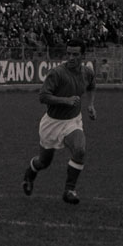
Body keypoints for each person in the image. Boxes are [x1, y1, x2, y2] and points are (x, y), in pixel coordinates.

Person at [22, 39, 96, 205]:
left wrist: (91, 105)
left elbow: (92, 86)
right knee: (44, 162)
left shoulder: (87, 72)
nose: (71, 58)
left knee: (80, 150)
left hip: (73, 121)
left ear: (83, 56)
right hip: (52, 124)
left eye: (75, 54)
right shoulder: (57, 73)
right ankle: (29, 174)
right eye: (68, 54)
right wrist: (65, 100)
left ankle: (69, 190)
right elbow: (43, 96)